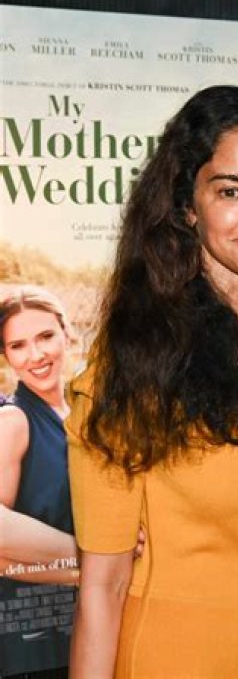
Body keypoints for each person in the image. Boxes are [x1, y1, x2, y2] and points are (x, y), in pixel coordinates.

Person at [66, 86, 238, 678]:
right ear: (188, 206)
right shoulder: (136, 359)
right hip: (178, 656)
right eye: (231, 191)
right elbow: (103, 588)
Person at [0, 285, 79, 679]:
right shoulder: (12, 421)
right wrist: (93, 561)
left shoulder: (83, 412)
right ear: (6, 356)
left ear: (67, 333)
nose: (36, 355)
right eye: (18, 345)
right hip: (30, 641)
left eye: (45, 336)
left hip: (82, 623)